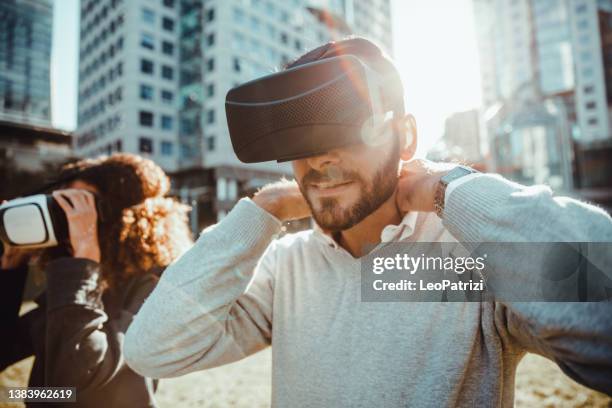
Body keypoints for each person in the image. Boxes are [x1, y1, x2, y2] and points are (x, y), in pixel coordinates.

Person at [124, 38, 612, 407]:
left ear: (405, 137)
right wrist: (261, 211)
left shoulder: (467, 260)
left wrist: (448, 189)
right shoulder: (284, 269)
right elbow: (152, 352)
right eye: (300, 139)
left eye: (342, 123)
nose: (319, 158)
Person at [0, 153, 192, 407]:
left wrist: (83, 263)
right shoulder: (75, 282)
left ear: (120, 219)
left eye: (79, 207)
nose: (69, 220)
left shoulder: (153, 288)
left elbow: (79, 376)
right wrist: (11, 271)